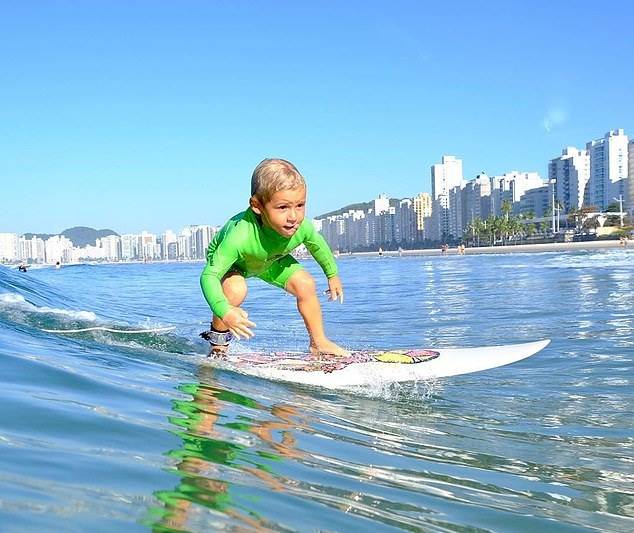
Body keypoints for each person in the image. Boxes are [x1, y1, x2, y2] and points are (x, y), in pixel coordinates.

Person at [200, 158, 347, 358]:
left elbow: (317, 245)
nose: (293, 216)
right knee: (235, 290)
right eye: (282, 207)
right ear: (257, 205)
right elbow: (208, 276)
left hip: (269, 260)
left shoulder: (300, 227)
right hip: (235, 264)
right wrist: (224, 310)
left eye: (300, 205)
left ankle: (318, 343)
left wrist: (332, 275)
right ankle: (218, 345)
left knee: (305, 284)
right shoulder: (239, 236)